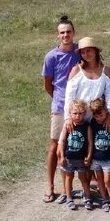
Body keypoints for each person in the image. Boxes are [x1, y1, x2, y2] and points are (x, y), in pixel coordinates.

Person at [63, 37, 110, 201]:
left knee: (94, 153)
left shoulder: (106, 71)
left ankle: (99, 190)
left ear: (96, 51)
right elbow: (69, 96)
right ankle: (86, 192)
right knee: (79, 154)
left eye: (89, 50)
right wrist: (68, 118)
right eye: (83, 51)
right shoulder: (76, 71)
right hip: (78, 118)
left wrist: (109, 115)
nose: (86, 54)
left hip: (97, 119)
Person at [42, 15, 80, 203]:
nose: (66, 35)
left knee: (81, 143)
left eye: (68, 32)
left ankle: (81, 186)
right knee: (55, 146)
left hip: (79, 107)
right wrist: (59, 100)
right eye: (62, 33)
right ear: (57, 35)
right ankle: (50, 186)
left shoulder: (81, 51)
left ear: (74, 34)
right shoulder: (51, 57)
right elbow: (48, 84)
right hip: (59, 106)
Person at [56, 99, 95, 211]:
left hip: (81, 159)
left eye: (81, 113)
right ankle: (69, 198)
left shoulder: (87, 126)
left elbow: (90, 143)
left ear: (85, 113)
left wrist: (89, 156)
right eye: (75, 113)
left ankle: (87, 198)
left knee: (83, 178)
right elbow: (62, 141)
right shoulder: (67, 126)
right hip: (69, 158)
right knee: (69, 178)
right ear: (70, 113)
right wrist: (62, 156)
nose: (78, 116)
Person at [88, 97, 110, 214]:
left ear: (106, 111)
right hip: (96, 158)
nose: (98, 118)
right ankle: (105, 200)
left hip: (108, 158)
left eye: (101, 115)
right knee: (100, 180)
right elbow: (90, 141)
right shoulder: (92, 123)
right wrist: (89, 156)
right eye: (96, 116)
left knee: (108, 180)